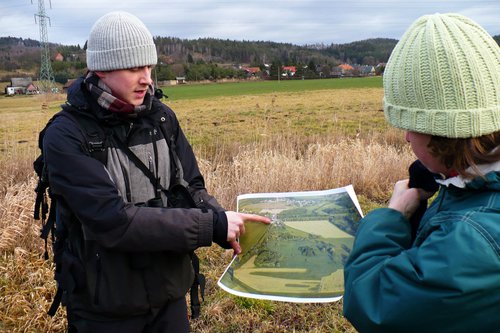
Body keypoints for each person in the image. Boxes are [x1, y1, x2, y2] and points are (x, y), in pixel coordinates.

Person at [42, 11, 270, 333]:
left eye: (149, 67)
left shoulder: (161, 118)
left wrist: (223, 221)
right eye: (135, 67)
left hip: (168, 297)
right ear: (102, 69)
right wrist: (211, 225)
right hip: (104, 307)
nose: (147, 78)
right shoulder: (67, 135)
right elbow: (113, 222)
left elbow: (191, 186)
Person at [343, 13, 499, 333]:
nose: (405, 138)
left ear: (441, 133)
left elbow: (372, 301)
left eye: (411, 127)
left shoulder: (469, 237)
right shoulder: (474, 184)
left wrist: (393, 216)